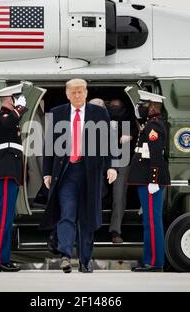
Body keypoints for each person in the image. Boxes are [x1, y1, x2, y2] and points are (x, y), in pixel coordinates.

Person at [40, 79, 117, 273]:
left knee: (87, 216)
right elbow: (49, 145)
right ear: (67, 94)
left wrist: (112, 166)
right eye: (73, 92)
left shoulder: (99, 113)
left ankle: (85, 260)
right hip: (66, 172)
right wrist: (47, 172)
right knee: (66, 213)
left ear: (86, 93)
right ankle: (65, 255)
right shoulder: (57, 113)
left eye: (80, 92)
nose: (77, 96)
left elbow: (109, 141)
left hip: (90, 171)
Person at [127, 90, 170, 272]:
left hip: (150, 181)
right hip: (145, 180)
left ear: (152, 106)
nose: (140, 108)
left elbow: (155, 157)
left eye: (143, 105)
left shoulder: (154, 126)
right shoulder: (150, 124)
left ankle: (154, 262)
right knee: (149, 221)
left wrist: (153, 180)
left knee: (152, 222)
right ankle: (150, 259)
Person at [0, 83, 28, 272]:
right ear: (10, 99)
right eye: (17, 98)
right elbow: (8, 122)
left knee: (6, 217)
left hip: (8, 173)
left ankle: (0, 259)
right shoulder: (4, 116)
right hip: (4, 173)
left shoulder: (10, 118)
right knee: (3, 218)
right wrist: (18, 110)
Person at [107, 98, 138, 243]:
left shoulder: (130, 121)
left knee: (119, 196)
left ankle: (115, 231)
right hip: (99, 161)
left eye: (117, 107)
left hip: (121, 161)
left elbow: (138, 132)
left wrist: (131, 135)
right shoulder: (100, 117)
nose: (114, 109)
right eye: (111, 106)